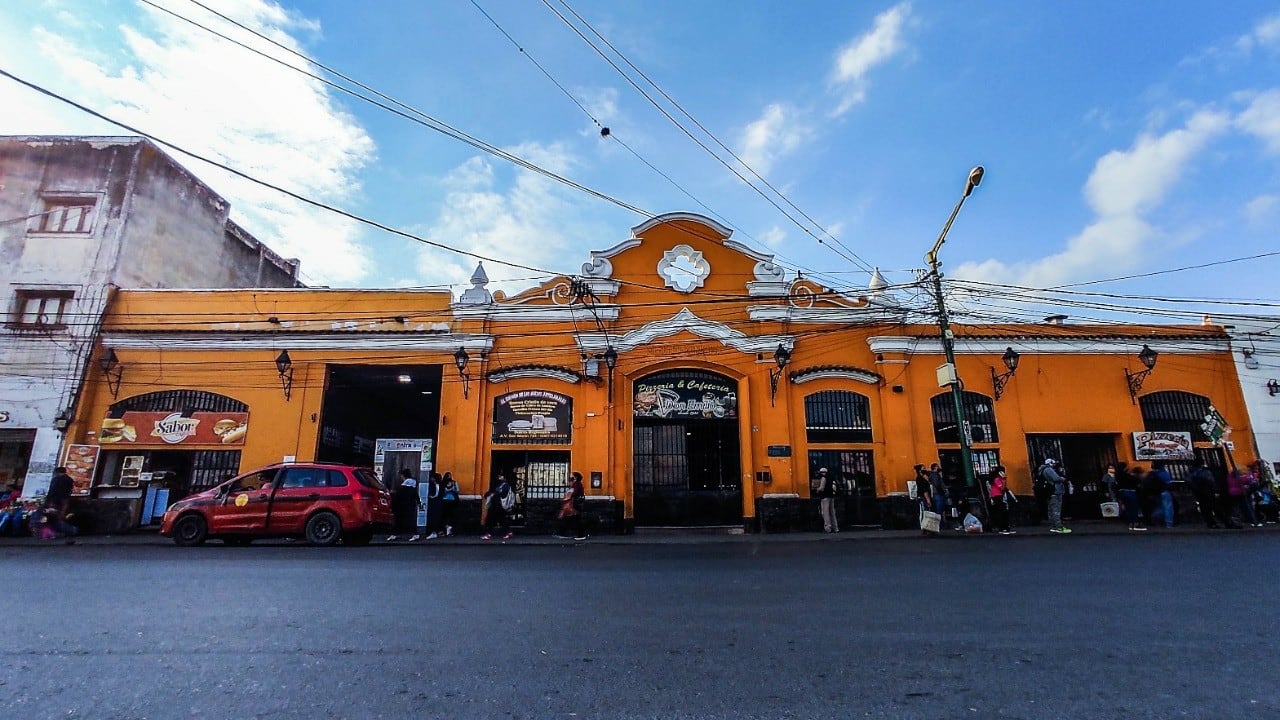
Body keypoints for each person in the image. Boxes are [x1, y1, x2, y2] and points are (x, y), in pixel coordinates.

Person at [41, 466, 77, 541]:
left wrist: (49, 501)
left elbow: (52, 491)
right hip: (65, 500)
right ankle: (69, 530)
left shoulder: (56, 480)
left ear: (57, 472)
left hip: (55, 501)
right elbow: (70, 490)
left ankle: (68, 530)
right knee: (62, 516)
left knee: (53, 517)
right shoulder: (69, 479)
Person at [1187, 460, 1225, 528]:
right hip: (1208, 492)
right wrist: (1215, 491)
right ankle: (1224, 521)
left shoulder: (1191, 473)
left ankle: (1210, 523)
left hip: (1198, 493)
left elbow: (1188, 481)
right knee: (1215, 507)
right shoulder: (1205, 472)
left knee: (1204, 509)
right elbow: (1211, 481)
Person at [388, 469, 422, 542]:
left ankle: (396, 534)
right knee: (410, 519)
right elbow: (415, 494)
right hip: (411, 504)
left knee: (399, 519)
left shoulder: (404, 486)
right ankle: (414, 534)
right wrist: (419, 502)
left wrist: (393, 493)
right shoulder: (413, 484)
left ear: (403, 475)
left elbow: (399, 495)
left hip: (403, 505)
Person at [1039, 459, 1071, 534]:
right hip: (1055, 491)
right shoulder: (1048, 469)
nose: (1054, 465)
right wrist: (1062, 479)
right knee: (1056, 509)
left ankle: (1053, 526)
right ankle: (1058, 527)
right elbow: (1056, 478)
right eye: (1053, 463)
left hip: (1049, 492)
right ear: (1050, 463)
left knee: (1051, 509)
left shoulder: (1042, 470)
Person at [481, 472, 514, 540]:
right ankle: (509, 532)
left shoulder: (505, 485)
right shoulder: (499, 485)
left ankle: (488, 534)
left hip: (498, 505)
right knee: (501, 520)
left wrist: (493, 494)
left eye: (501, 476)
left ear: (504, 477)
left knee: (490, 520)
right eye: (499, 476)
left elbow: (501, 493)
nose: (499, 477)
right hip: (496, 506)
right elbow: (494, 492)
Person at [556, 471, 588, 540]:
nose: (570, 477)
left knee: (575, 519)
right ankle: (563, 533)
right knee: (571, 519)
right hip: (574, 504)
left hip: (575, 504)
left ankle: (580, 535)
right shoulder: (576, 484)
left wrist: (568, 496)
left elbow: (574, 493)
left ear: (575, 477)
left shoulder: (576, 484)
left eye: (571, 476)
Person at [1115, 463, 1146, 531]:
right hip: (1131, 492)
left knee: (1127, 508)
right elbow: (1137, 484)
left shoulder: (1118, 477)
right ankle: (1134, 523)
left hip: (1122, 492)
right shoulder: (1130, 477)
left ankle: (1130, 522)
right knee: (1133, 508)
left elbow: (1116, 486)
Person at [988, 466, 1015, 535]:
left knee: (1003, 511)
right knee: (1002, 512)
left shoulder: (995, 479)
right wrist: (1004, 480)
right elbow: (1002, 488)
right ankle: (1002, 528)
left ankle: (1005, 527)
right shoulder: (997, 479)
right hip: (998, 495)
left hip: (997, 495)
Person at [1148, 461, 1176, 528]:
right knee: (1167, 507)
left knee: (1158, 506)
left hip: (1155, 493)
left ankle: (1156, 520)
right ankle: (1169, 523)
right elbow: (1170, 483)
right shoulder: (1163, 473)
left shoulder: (1150, 474)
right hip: (1164, 491)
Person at [814, 467, 838, 533]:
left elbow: (821, 488)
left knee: (825, 513)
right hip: (831, 496)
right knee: (832, 513)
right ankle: (835, 527)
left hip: (825, 497)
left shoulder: (823, 478)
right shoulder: (831, 478)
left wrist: (817, 489)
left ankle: (828, 528)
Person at [421, 472, 442, 539]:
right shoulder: (432, 485)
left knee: (435, 517)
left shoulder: (439, 485)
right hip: (434, 502)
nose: (431, 479)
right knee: (433, 517)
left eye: (432, 478)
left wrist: (433, 496)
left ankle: (435, 531)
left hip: (437, 502)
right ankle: (434, 531)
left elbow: (440, 493)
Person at [440, 471, 460, 536]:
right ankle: (445, 528)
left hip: (452, 500)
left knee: (452, 515)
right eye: (448, 476)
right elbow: (441, 492)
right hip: (445, 500)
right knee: (445, 515)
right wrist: (447, 490)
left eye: (450, 476)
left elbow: (457, 491)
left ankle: (450, 529)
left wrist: (452, 489)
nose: (449, 477)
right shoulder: (443, 483)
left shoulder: (454, 483)